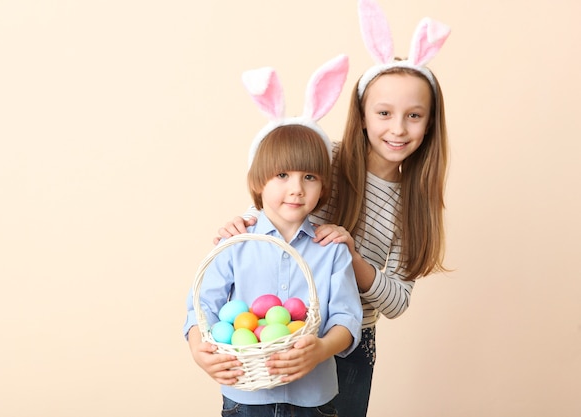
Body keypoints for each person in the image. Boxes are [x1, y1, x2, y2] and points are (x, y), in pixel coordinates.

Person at [214, 1, 452, 416]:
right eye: (384, 113)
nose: (397, 128)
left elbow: (397, 301)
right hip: (281, 328)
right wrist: (245, 222)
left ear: (429, 124)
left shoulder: (416, 202)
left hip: (350, 347)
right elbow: (279, 196)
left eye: (414, 116)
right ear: (361, 115)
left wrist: (353, 258)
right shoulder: (325, 163)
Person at [184, 55, 364, 417]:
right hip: (244, 397)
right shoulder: (236, 243)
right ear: (259, 181)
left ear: (323, 186)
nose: (296, 189)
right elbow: (201, 306)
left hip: (314, 397)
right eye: (282, 175)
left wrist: (321, 348)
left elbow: (347, 317)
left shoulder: (331, 249)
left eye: (310, 177)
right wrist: (197, 348)